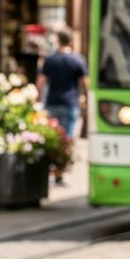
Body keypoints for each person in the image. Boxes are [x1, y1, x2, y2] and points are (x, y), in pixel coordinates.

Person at [38, 28, 89, 182]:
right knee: (67, 138)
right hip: (70, 103)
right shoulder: (77, 60)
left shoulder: (50, 59)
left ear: (58, 40)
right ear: (71, 41)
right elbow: (85, 83)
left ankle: (52, 169)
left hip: (52, 102)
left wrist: (39, 99)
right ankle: (60, 171)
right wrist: (87, 99)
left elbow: (40, 82)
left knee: (53, 138)